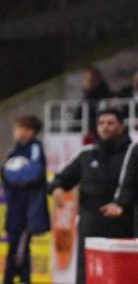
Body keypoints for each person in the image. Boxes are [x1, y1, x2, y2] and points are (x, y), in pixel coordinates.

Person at [48, 109, 134, 284]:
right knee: (86, 273)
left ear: (121, 126)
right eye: (101, 123)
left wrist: (121, 204)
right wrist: (56, 188)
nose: (105, 127)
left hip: (122, 227)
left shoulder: (132, 153)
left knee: (119, 274)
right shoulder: (86, 154)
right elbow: (61, 178)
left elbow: (131, 186)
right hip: (90, 226)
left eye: (110, 123)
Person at [0, 115, 50, 284]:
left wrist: (14, 177)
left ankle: (13, 278)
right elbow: (4, 174)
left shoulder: (35, 148)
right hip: (14, 208)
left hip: (27, 210)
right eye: (18, 129)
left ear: (33, 132)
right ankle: (19, 278)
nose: (21, 133)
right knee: (15, 245)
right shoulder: (13, 151)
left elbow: (35, 173)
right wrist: (10, 176)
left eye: (25, 129)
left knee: (19, 247)